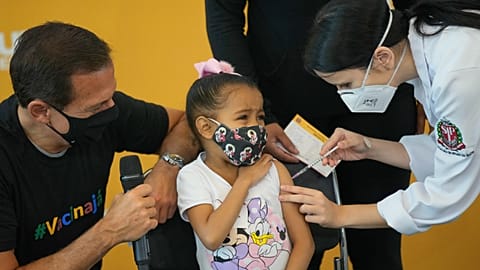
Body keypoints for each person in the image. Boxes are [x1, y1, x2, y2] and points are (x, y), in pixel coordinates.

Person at [205, 0, 419, 269]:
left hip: (380, 88)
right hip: (284, 112)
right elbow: (223, 17)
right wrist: (259, 115)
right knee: (295, 244)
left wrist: (422, 76)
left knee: (379, 246)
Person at [0, 22, 200, 269]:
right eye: (96, 107)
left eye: (110, 96)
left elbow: (188, 123)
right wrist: (110, 230)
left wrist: (168, 167)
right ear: (41, 111)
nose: (112, 110)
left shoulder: (105, 107)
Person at [280, 0, 480, 235]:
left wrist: (341, 215)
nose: (344, 95)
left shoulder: (455, 77)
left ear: (382, 58)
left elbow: (446, 193)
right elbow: (447, 151)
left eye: (346, 84)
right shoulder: (424, 42)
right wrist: (368, 147)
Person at [176, 58, 314, 269]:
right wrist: (245, 181)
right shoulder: (192, 176)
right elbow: (212, 237)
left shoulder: (274, 169)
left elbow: (304, 243)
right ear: (206, 127)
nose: (256, 127)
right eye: (243, 117)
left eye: (259, 117)